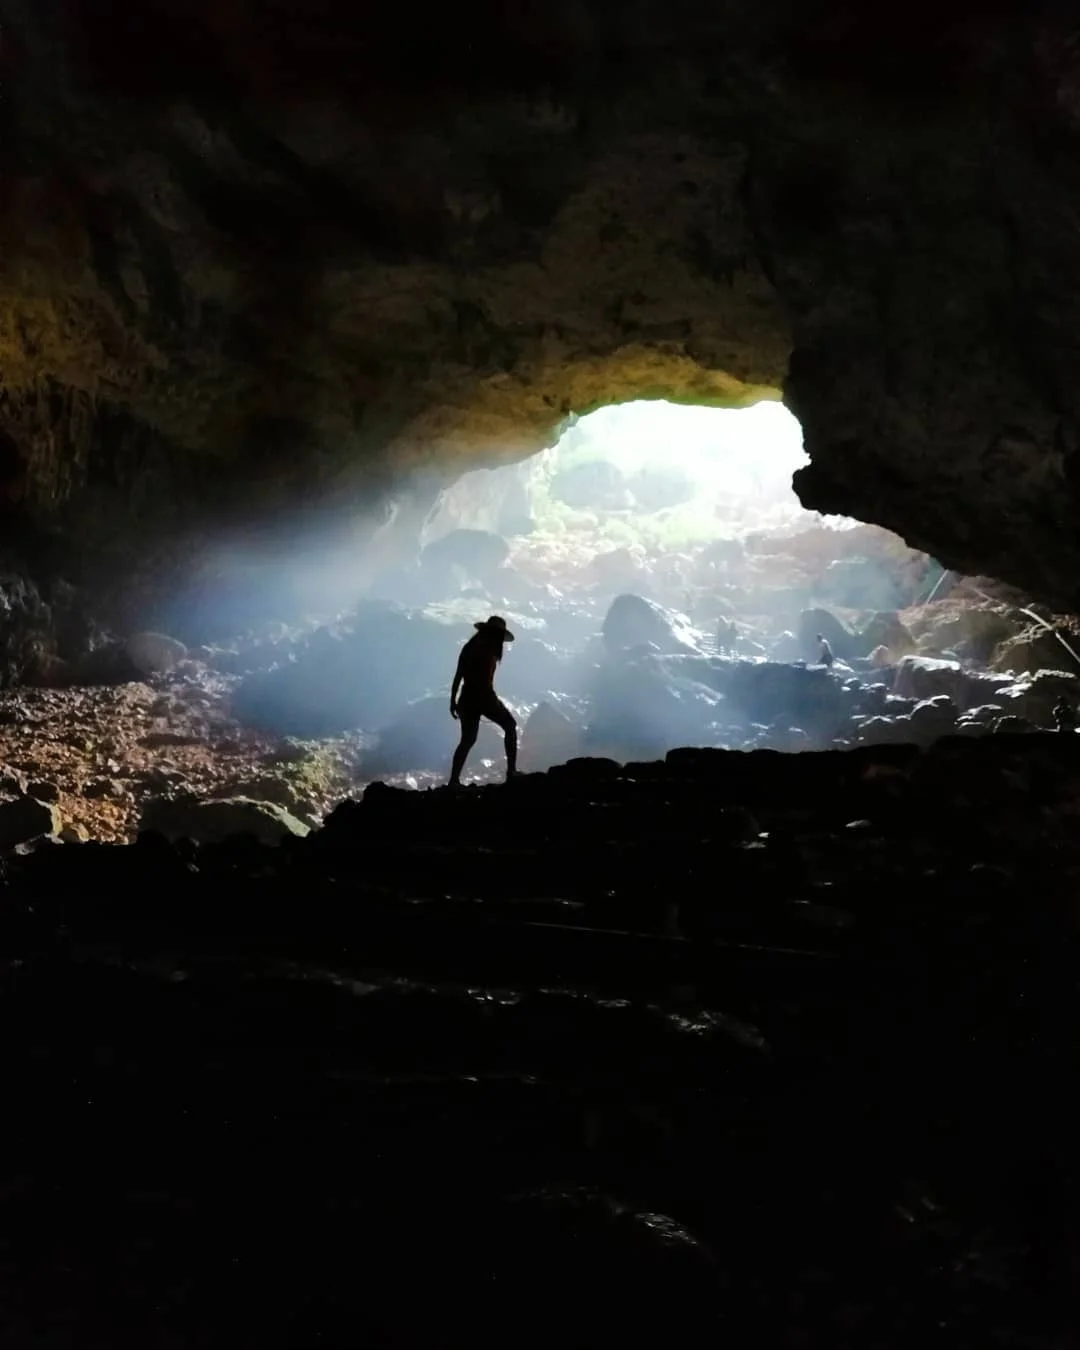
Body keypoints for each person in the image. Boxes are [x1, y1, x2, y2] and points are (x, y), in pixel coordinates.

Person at [449, 615, 518, 786]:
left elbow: (459, 676)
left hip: (466, 698)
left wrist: (453, 700)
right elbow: (483, 683)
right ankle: (511, 773)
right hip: (484, 697)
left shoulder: (469, 647)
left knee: (467, 740)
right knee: (510, 726)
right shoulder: (489, 650)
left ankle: (453, 780)